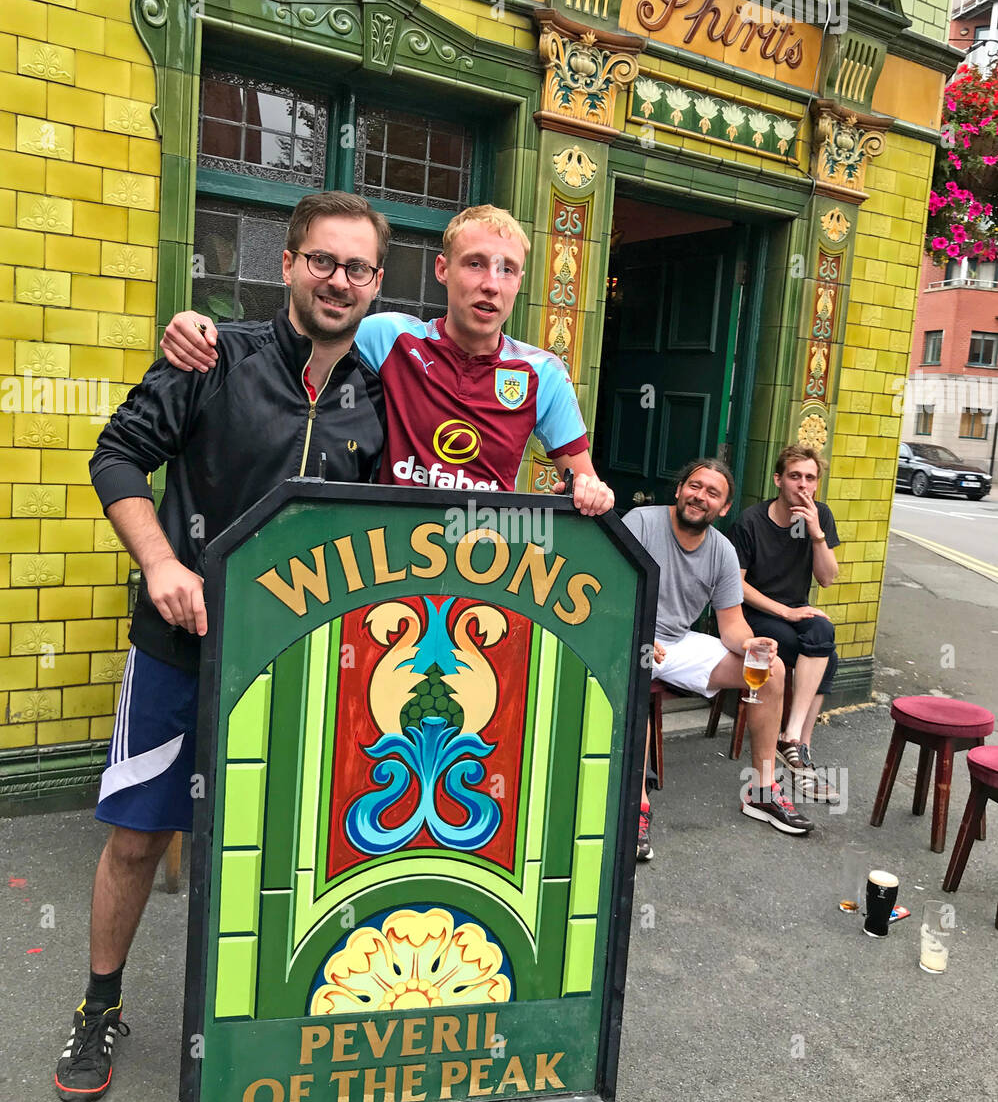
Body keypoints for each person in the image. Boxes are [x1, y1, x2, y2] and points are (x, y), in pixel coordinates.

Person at [56, 191, 390, 1102]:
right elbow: (118, 454)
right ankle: (99, 1006)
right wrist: (161, 562)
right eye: (322, 260)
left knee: (276, 845)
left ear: (377, 284)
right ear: (286, 264)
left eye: (357, 268)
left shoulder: (377, 395)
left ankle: (259, 1018)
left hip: (302, 668)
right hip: (179, 651)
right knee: (136, 839)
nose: (338, 280)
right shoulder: (213, 356)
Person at [159, 204, 614, 516]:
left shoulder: (544, 374)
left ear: (518, 282)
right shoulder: (388, 337)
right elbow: (299, 337)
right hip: (381, 564)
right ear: (443, 270)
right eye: (475, 263)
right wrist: (200, 325)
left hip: (484, 571)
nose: (491, 283)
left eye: (507, 269)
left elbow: (581, 481)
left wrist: (590, 491)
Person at [624, 458, 816, 861]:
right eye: (695, 486)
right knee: (637, 671)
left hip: (678, 642)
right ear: (679, 490)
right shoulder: (641, 522)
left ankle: (763, 790)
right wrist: (635, 631)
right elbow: (608, 587)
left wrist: (751, 645)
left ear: (724, 508)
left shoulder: (722, 551)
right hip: (630, 633)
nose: (700, 497)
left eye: (713, 493)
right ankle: (636, 808)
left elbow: (731, 625)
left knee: (773, 669)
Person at [726, 444, 841, 804]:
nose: (802, 485)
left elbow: (827, 579)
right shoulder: (751, 521)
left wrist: (817, 534)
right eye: (795, 476)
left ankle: (792, 738)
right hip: (756, 614)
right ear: (778, 480)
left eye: (810, 478)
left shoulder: (820, 516)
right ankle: (800, 756)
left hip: (796, 611)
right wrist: (785, 612)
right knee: (829, 659)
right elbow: (736, 585)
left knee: (823, 632)